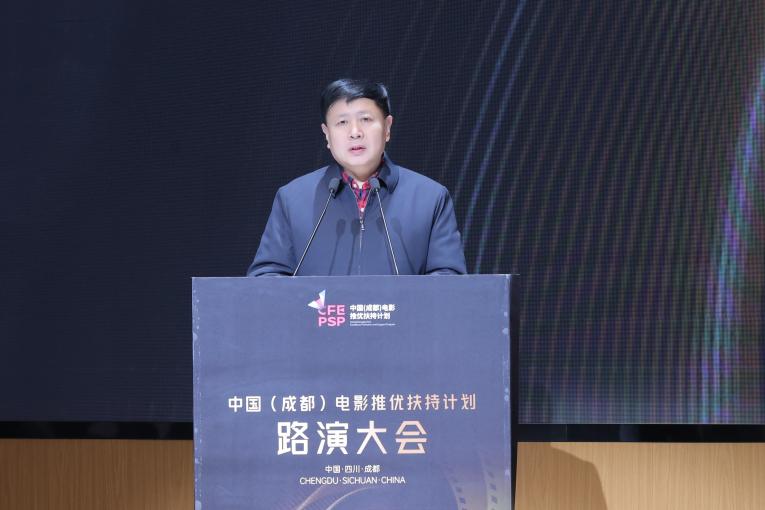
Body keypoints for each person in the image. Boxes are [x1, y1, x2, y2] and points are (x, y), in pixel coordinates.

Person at [247, 78, 466, 276]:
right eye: (342, 122)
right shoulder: (292, 199)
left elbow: (449, 282)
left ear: (387, 128)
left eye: (366, 119)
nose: (355, 132)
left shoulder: (430, 198)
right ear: (327, 134)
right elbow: (267, 279)